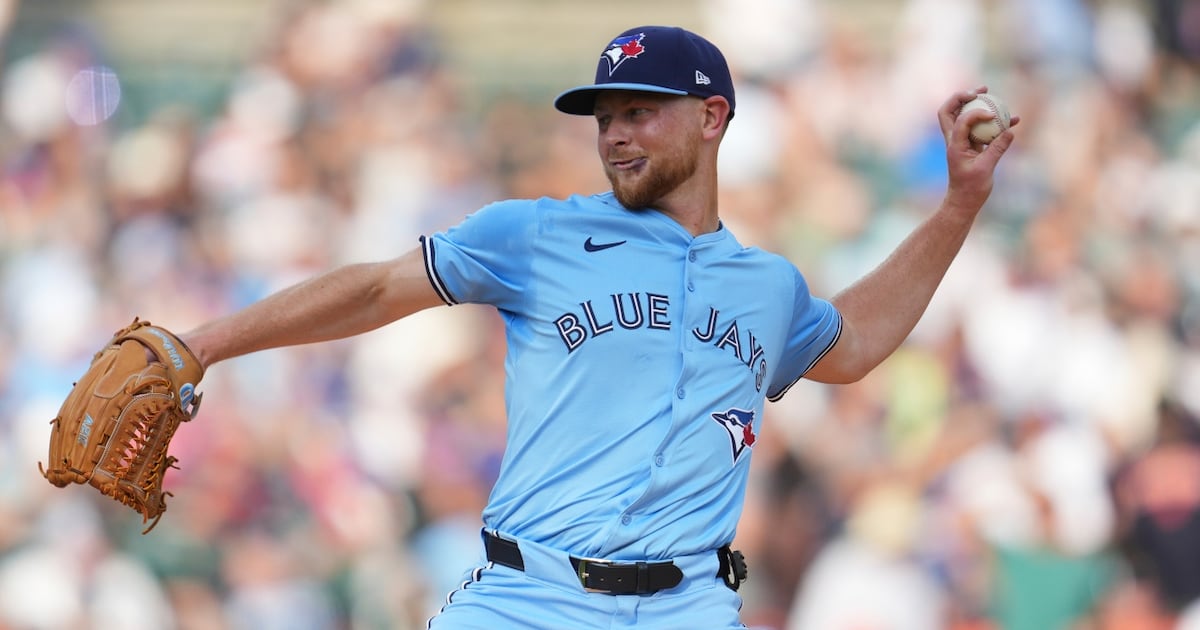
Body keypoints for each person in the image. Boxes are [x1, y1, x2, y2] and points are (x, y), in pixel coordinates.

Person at [174, 25, 1018, 629]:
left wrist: (959, 204)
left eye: (641, 110)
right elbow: (373, 291)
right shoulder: (535, 234)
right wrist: (203, 344)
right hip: (527, 598)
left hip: (690, 603)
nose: (615, 133)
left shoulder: (766, 286)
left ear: (712, 117)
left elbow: (856, 344)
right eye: (606, 115)